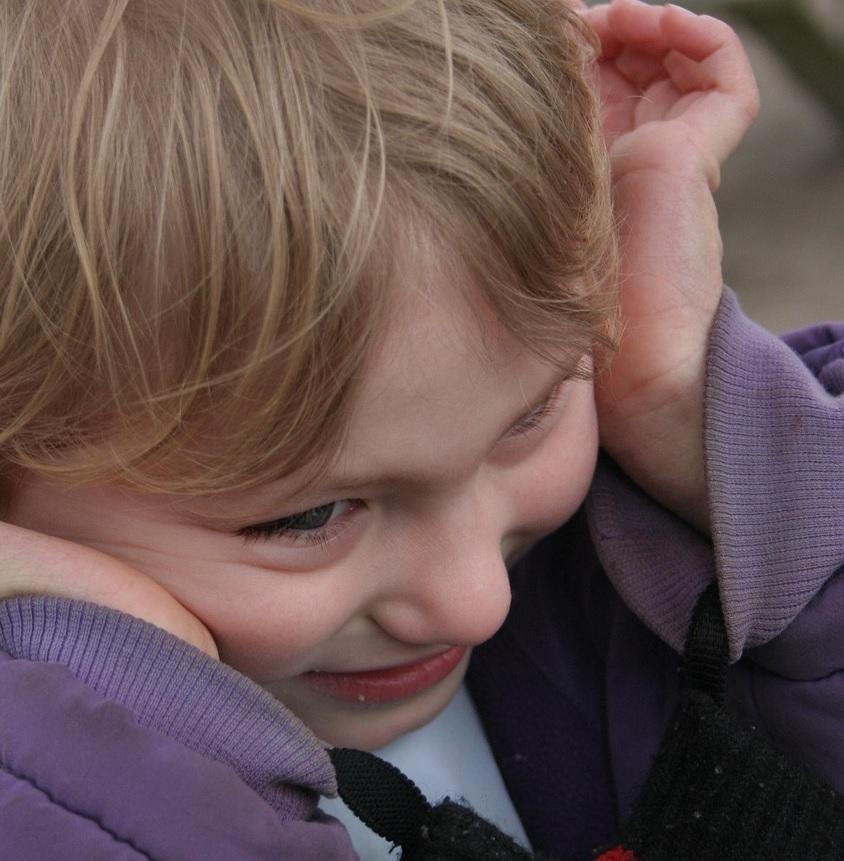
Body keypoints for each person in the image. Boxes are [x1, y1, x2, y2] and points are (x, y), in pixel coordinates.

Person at [0, 0, 840, 858]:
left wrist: (713, 428)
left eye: (532, 413)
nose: (477, 600)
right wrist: (122, 735)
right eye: (308, 516)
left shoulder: (632, 550)